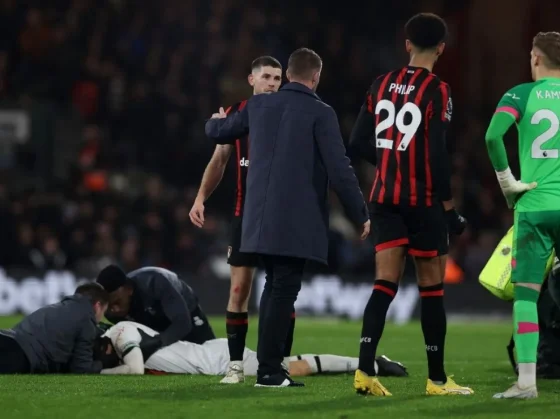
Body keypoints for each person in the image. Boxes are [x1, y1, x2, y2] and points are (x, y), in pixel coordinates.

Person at [205, 48, 370, 387]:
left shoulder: (258, 106)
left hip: (257, 221)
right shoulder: (321, 113)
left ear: (288, 74)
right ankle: (268, 371)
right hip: (295, 222)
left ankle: (270, 367)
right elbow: (340, 170)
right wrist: (359, 213)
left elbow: (218, 132)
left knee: (273, 290)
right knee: (282, 291)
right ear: (316, 77)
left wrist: (214, 121)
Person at [348, 13, 471, 397]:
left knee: (384, 284)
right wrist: (449, 209)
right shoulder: (438, 90)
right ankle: (437, 380)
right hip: (424, 202)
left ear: (406, 44)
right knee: (431, 288)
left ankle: (365, 372)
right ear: (441, 49)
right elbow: (437, 154)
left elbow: (356, 143)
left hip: (384, 199)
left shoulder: (379, 84)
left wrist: (390, 160)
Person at [189, 56, 296, 384]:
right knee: (239, 290)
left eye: (278, 78)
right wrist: (200, 198)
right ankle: (235, 366)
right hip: (245, 218)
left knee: (283, 292)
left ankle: (281, 361)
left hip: (280, 218)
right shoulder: (238, 115)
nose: (273, 83)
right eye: (266, 77)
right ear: (252, 80)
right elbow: (219, 160)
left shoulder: (290, 115)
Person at [485, 31, 560, 400]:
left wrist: (507, 183)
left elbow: (492, 137)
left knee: (527, 296)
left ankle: (527, 383)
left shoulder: (520, 94)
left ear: (535, 58)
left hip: (533, 207)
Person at [97, 321, 408, 379]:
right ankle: (370, 362)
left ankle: (372, 363)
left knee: (293, 366)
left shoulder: (120, 331)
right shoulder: (121, 331)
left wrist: (99, 371)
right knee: (290, 364)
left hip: (217, 360)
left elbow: (135, 369)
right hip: (211, 354)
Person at [95, 265, 215, 362]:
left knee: (209, 353)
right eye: (109, 305)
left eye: (117, 302)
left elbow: (183, 323)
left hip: (186, 311)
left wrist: (157, 342)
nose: (114, 310)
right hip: (151, 317)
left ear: (129, 290)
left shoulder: (155, 283)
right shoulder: (110, 313)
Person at [0, 283, 108, 374]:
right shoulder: (87, 321)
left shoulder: (59, 307)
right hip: (20, 355)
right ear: (97, 306)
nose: (101, 317)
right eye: (103, 312)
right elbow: (81, 369)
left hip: (8, 337)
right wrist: (104, 363)